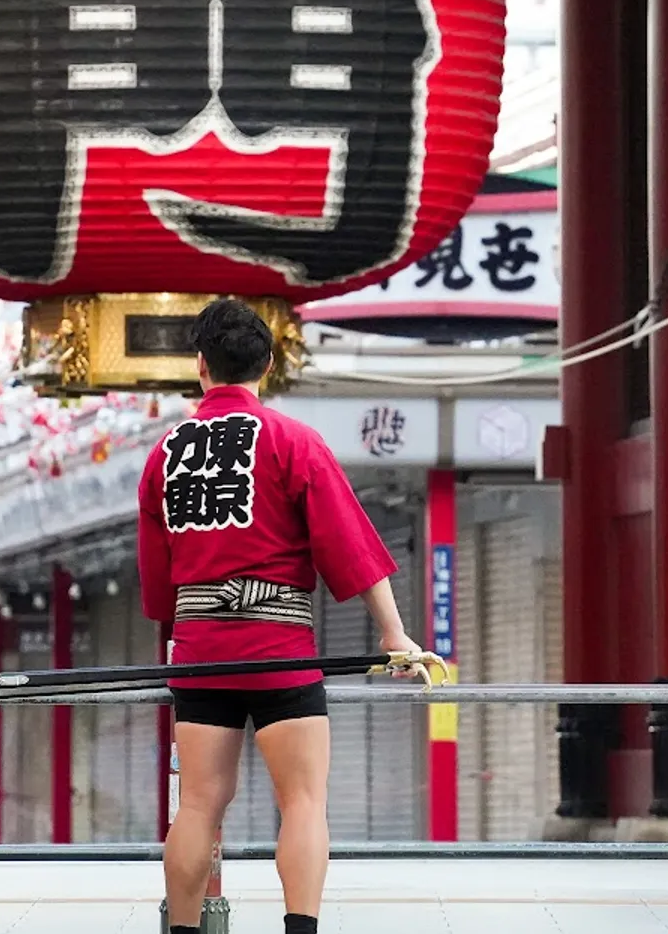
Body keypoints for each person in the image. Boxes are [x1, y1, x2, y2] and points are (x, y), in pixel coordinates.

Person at [137, 298, 423, 934]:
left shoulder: (167, 453)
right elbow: (349, 546)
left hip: (201, 650)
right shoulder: (294, 441)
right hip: (280, 650)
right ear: (267, 363)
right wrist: (393, 633)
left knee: (199, 807)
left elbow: (158, 588)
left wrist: (182, 635)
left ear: (201, 366)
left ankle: (183, 931)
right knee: (303, 801)